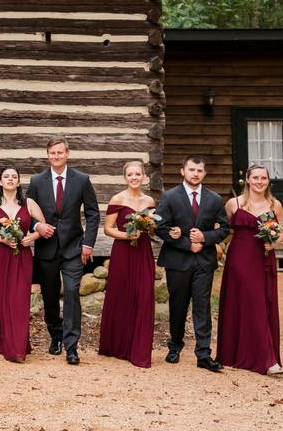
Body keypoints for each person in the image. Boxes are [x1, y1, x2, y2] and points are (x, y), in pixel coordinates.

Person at [26, 136, 99, 365]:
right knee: (49, 297)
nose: (56, 156)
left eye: (60, 152)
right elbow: (25, 213)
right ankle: (55, 335)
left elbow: (93, 214)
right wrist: (37, 226)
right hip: (46, 249)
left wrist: (88, 243)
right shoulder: (37, 181)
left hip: (74, 249)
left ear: (67, 154)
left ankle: (71, 345)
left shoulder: (81, 179)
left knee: (71, 293)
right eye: (52, 153)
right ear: (47, 155)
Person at [155, 155, 229, 372]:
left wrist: (205, 238)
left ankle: (203, 354)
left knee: (202, 306)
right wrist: (188, 244)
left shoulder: (214, 199)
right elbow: (160, 227)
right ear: (182, 171)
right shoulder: (169, 197)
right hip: (178, 261)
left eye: (199, 170)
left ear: (204, 173)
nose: (195, 174)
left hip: (204, 262)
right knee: (178, 305)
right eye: (191, 169)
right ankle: (175, 346)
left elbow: (224, 229)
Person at [216, 164, 283, 375]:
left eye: (263, 178)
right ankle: (257, 358)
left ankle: (263, 355)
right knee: (247, 303)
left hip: (264, 257)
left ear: (268, 181)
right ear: (247, 179)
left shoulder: (275, 204)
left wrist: (274, 244)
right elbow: (221, 227)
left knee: (263, 303)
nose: (259, 182)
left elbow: (281, 233)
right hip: (239, 258)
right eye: (255, 177)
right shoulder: (233, 203)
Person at [0, 167, 42, 362]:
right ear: (0, 182)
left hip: (22, 257)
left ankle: (17, 346)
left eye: (14, 177)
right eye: (6, 176)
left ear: (18, 181)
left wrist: (31, 237)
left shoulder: (29, 203)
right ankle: (2, 341)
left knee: (18, 300)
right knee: (0, 298)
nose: (10, 179)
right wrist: (2, 240)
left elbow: (42, 226)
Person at [98, 161, 156, 368]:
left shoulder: (149, 200)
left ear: (144, 177)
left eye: (138, 174)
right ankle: (118, 345)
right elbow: (107, 228)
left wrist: (148, 228)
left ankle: (139, 348)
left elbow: (153, 228)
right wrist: (127, 234)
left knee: (144, 294)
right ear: (125, 177)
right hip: (123, 252)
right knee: (122, 294)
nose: (134, 177)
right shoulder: (118, 199)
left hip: (143, 252)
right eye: (130, 174)